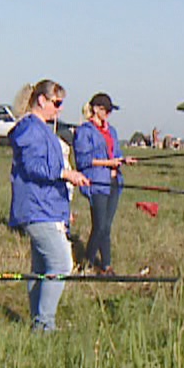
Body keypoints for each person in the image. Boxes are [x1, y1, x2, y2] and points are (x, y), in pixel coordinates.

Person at [9, 79, 90, 331]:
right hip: (36, 208)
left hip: (48, 207)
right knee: (61, 264)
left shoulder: (42, 129)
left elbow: (51, 170)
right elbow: (34, 168)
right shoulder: (30, 130)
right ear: (41, 100)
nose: (60, 108)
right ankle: (45, 325)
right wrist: (66, 174)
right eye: (56, 103)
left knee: (42, 267)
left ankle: (38, 321)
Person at [72, 92, 128, 274]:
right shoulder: (84, 132)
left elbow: (116, 153)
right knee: (100, 226)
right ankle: (87, 263)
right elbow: (83, 160)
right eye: (106, 110)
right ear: (96, 109)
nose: (109, 114)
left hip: (114, 181)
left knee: (106, 226)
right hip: (97, 182)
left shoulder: (112, 131)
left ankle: (106, 265)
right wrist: (107, 163)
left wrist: (123, 160)